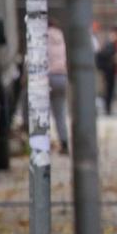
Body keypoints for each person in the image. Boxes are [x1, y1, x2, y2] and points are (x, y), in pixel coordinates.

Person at [46, 20, 70, 154]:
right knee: (60, 112)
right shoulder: (60, 37)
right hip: (61, 76)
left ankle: (44, 143)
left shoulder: (41, 36)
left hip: (47, 77)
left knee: (43, 113)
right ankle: (64, 141)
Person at [95, 28, 117, 114]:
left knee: (107, 90)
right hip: (109, 71)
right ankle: (107, 107)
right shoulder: (110, 45)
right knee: (108, 90)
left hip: (108, 71)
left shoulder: (109, 45)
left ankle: (107, 107)